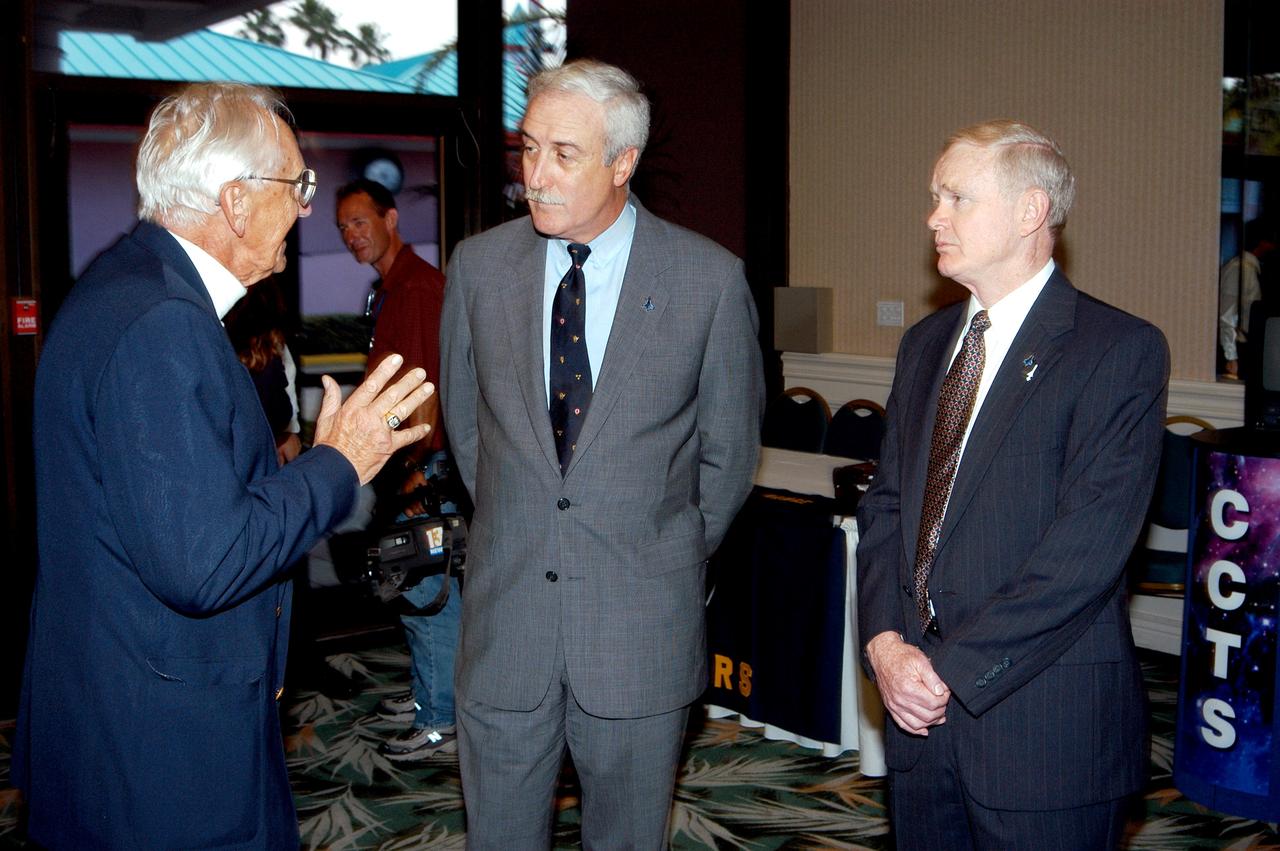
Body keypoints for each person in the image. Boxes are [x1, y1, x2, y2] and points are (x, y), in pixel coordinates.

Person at [14, 82, 433, 850]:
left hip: (126, 706)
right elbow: (205, 561)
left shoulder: (122, 287)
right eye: (296, 184)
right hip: (163, 748)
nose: (308, 207)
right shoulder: (162, 325)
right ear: (236, 200)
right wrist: (341, 459)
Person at [440, 58, 764, 847]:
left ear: (624, 163)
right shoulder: (478, 269)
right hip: (506, 625)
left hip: (638, 631)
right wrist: (527, 526)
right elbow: (468, 430)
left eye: (564, 154)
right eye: (528, 148)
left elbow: (726, 457)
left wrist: (657, 552)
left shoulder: (709, 281)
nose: (535, 176)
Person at [856, 120, 1169, 849]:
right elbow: (887, 510)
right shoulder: (927, 344)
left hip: (1041, 731)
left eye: (957, 197)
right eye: (935, 197)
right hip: (917, 730)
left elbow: (1083, 556)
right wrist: (883, 643)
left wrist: (946, 670)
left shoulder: (1117, 351)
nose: (935, 216)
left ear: (1031, 212)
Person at [335, 177, 458, 761]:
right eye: (343, 228)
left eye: (360, 222)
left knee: (427, 588)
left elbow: (429, 386)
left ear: (390, 218)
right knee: (410, 581)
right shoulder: (395, 286)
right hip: (407, 460)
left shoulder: (417, 289)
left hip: (422, 464)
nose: (351, 235)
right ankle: (425, 696)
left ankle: (440, 717)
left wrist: (416, 476)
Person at [1218, 220, 1274, 379]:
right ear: (1262, 243)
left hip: (1248, 348)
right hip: (1239, 352)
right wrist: (1231, 357)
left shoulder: (1251, 268)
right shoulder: (1240, 269)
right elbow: (1227, 315)